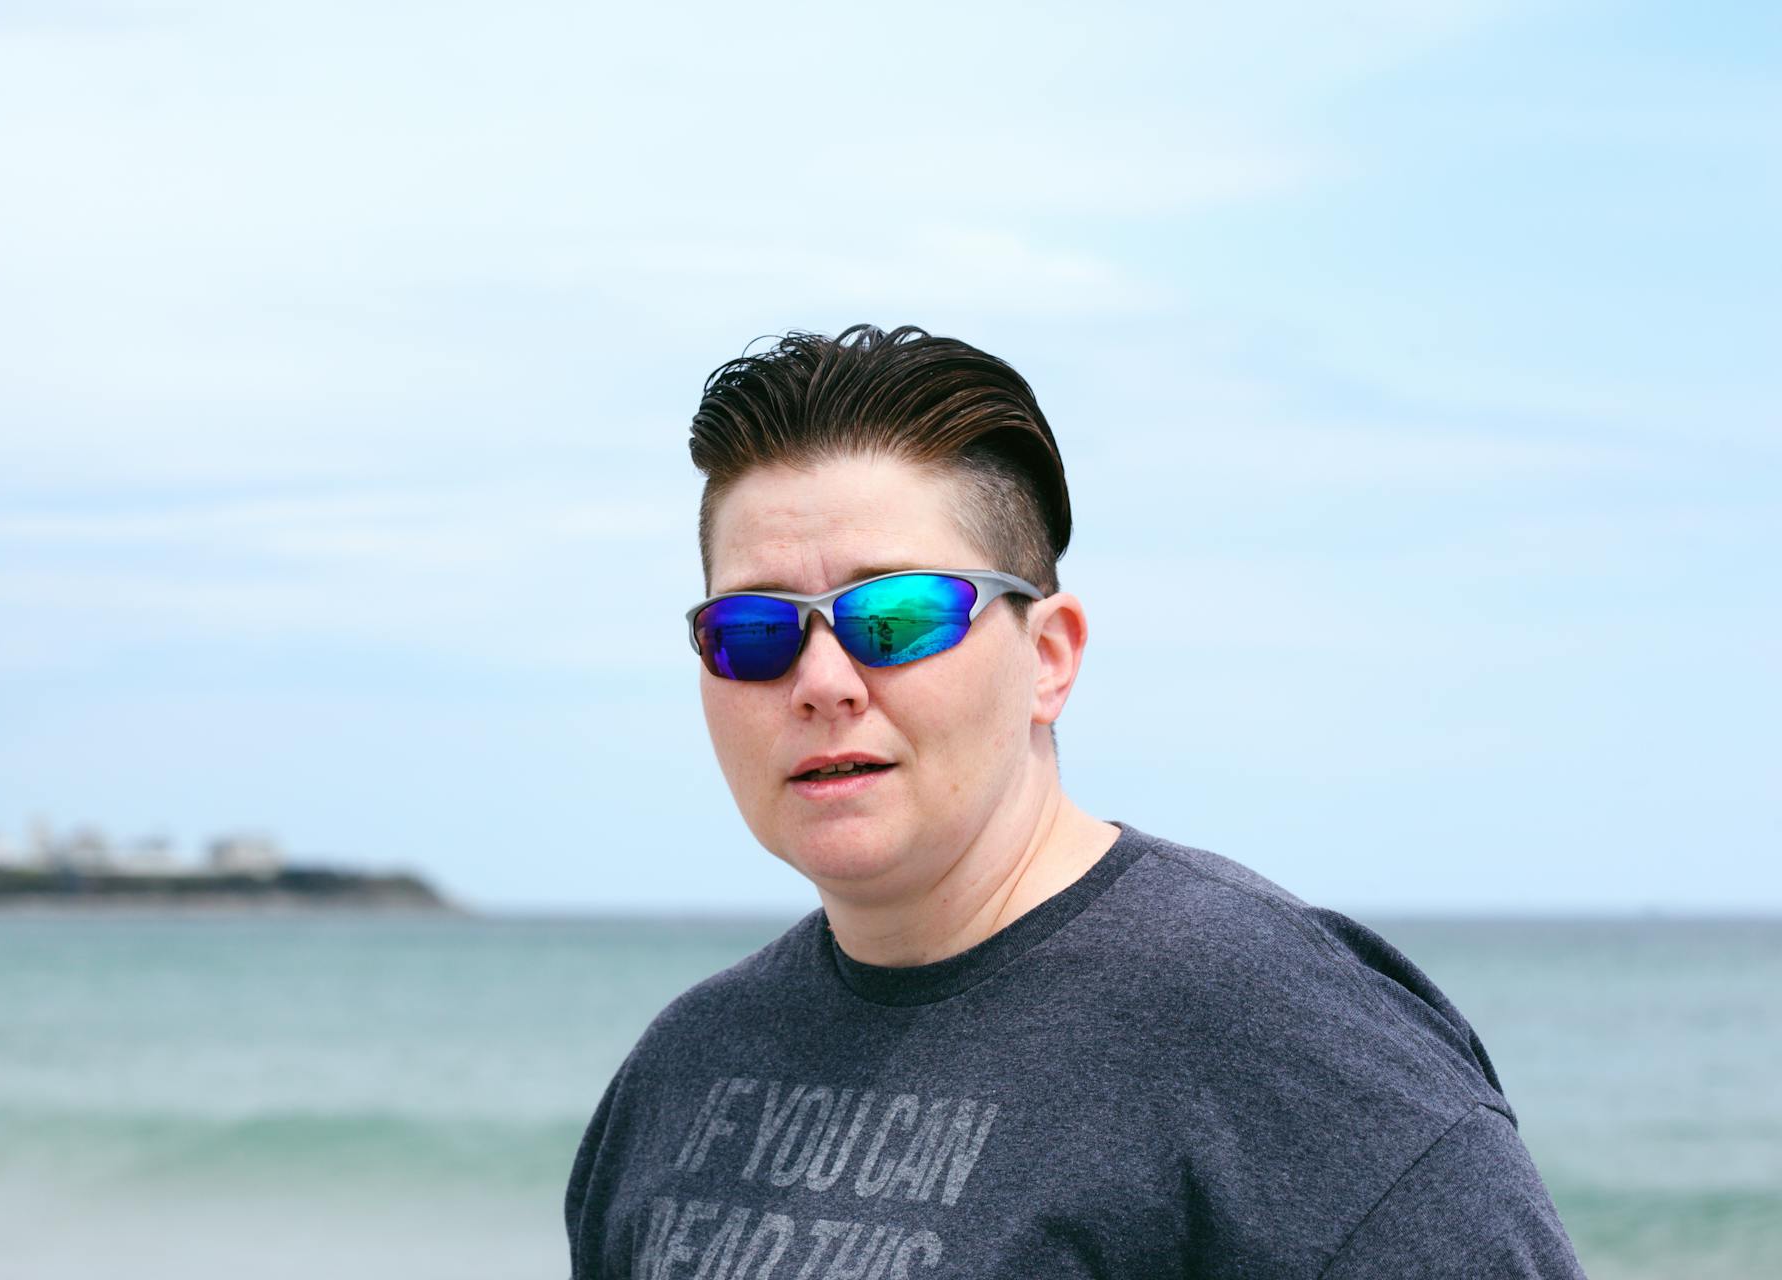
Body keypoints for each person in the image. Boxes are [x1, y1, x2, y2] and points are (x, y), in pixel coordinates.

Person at [565, 324, 1587, 1279]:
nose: (823, 678)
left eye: (898, 614)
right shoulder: (678, 1076)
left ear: (1047, 658)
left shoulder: (1283, 1038)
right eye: (756, 629)